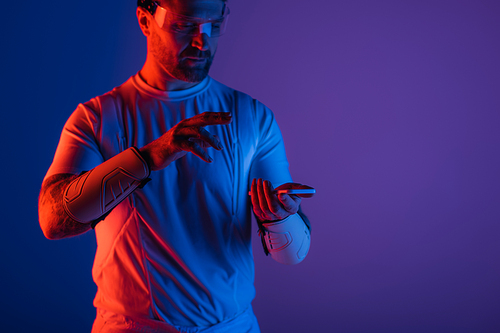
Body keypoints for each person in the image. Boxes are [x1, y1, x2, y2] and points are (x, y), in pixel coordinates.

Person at [38, 0, 314, 332]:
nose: (202, 41)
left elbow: (291, 254)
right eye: (184, 25)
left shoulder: (252, 117)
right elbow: (54, 221)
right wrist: (148, 158)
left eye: (214, 25)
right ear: (144, 19)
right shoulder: (95, 119)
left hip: (231, 327)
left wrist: (280, 218)